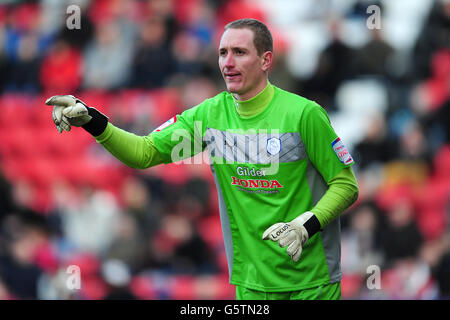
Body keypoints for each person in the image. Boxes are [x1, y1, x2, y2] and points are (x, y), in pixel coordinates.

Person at [45, 18, 359, 300]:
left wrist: (308, 224)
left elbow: (346, 185)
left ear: (266, 61)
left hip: (312, 283)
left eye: (239, 52)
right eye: (223, 53)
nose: (228, 63)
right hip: (252, 283)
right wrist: (93, 122)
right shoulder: (210, 115)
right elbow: (144, 153)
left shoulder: (304, 114)